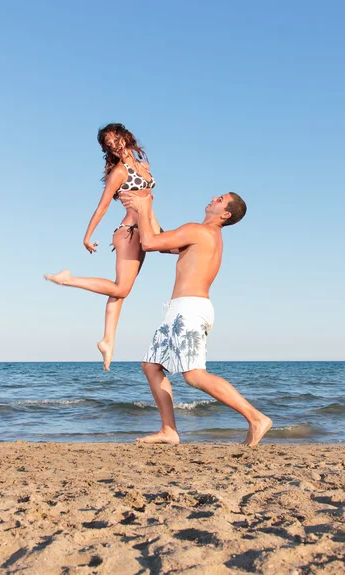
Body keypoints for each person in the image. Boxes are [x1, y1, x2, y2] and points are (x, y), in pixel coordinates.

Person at [120, 191, 273, 447]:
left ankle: (256, 418)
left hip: (188, 310)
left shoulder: (200, 231)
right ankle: (169, 430)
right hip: (183, 308)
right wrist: (147, 207)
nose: (214, 198)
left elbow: (148, 242)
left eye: (221, 199)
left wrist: (143, 207)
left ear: (225, 213)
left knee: (194, 375)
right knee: (151, 365)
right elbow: (162, 240)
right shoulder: (203, 234)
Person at [44, 123, 161, 370]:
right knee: (121, 288)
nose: (112, 146)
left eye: (114, 140)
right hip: (129, 233)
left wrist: (159, 232)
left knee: (120, 293)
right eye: (107, 144)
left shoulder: (144, 167)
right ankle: (68, 279)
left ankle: (108, 341)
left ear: (126, 137)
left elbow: (149, 206)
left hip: (145, 231)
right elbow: (103, 206)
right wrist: (87, 236)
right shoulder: (119, 172)